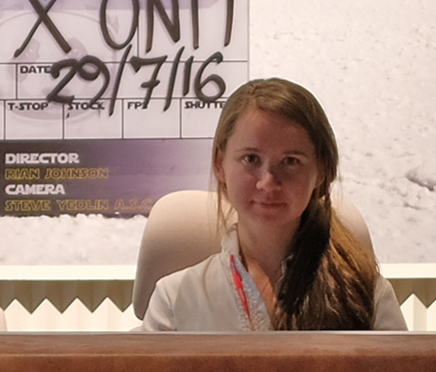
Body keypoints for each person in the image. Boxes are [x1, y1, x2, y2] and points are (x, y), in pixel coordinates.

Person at [140, 78, 406, 331]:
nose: (268, 182)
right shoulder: (174, 299)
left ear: (321, 170)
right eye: (251, 159)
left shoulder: (367, 295)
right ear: (220, 164)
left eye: (290, 161)